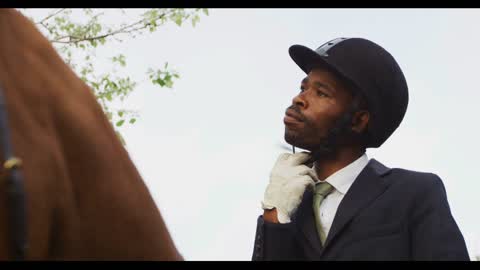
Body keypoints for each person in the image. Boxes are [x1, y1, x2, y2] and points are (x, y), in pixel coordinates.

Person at [251, 37, 469, 261]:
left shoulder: (415, 193)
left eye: (321, 93)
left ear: (358, 120)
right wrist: (274, 215)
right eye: (303, 87)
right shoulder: (288, 207)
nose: (299, 99)